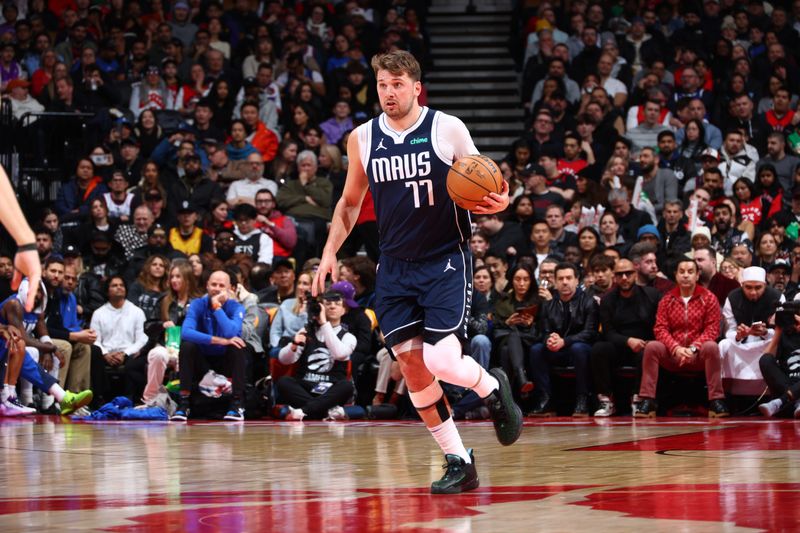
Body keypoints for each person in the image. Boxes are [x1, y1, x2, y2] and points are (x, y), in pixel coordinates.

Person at [312, 50, 521, 494]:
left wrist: (502, 199)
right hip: (395, 267)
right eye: (382, 85)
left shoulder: (447, 127)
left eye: (397, 85)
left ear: (415, 87)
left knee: (442, 360)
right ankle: (459, 460)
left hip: (445, 259)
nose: (389, 93)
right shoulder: (363, 138)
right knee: (412, 369)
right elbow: (350, 203)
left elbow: (490, 181)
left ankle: (490, 385)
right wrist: (330, 250)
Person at [636, 258, 729, 418]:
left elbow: (712, 329)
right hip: (674, 355)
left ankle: (716, 401)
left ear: (697, 275)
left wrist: (693, 348)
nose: (686, 275)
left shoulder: (709, 298)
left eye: (690, 272)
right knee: (651, 347)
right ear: (676, 275)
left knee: (712, 346)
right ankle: (647, 400)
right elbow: (660, 328)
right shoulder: (667, 299)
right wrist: (676, 348)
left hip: (698, 355)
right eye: (682, 272)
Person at [172, 270, 248, 422]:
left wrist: (217, 308)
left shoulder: (236, 307)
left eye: (222, 285)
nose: (217, 288)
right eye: (213, 284)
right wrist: (221, 341)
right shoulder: (197, 304)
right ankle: (184, 404)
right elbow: (186, 333)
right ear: (207, 286)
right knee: (187, 346)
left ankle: (237, 404)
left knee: (238, 346)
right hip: (202, 362)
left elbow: (231, 332)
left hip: (224, 362)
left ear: (230, 289)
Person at [590, 258, 661, 416]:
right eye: (620, 274)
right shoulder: (607, 300)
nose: (624, 278)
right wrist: (628, 341)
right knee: (599, 349)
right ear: (614, 277)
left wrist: (648, 342)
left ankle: (639, 400)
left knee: (649, 351)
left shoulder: (652, 295)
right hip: (619, 345)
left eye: (628, 274)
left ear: (635, 274)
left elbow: (659, 325)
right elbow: (608, 332)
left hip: (644, 344)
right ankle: (606, 400)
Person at [529, 262, 599, 417]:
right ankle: (545, 399)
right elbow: (543, 331)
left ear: (576, 280)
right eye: (560, 278)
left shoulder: (588, 301)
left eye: (568, 278)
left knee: (578, 348)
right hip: (558, 349)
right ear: (555, 281)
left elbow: (590, 332)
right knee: (537, 350)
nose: (565, 282)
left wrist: (565, 341)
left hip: (581, 349)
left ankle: (583, 399)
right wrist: (549, 338)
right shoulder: (549, 304)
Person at [277, 288, 357, 420]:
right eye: (328, 303)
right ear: (321, 308)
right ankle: (326, 412)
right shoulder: (307, 331)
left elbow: (339, 354)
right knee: (284, 382)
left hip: (331, 389)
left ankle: (303, 411)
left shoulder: (348, 337)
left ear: (344, 310)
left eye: (337, 304)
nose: (332, 306)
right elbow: (283, 360)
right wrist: (293, 345)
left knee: (346, 386)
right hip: (306, 386)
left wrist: (324, 323)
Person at [719, 267, 782, 395]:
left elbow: (781, 331)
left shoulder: (778, 297)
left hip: (768, 342)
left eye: (758, 287)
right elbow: (729, 331)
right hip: (741, 343)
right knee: (723, 345)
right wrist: (739, 335)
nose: (753, 292)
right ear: (742, 285)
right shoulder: (732, 298)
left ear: (765, 285)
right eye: (748, 287)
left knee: (780, 344)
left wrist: (765, 333)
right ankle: (722, 394)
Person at [89, 276, 149, 407]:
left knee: (137, 360)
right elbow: (95, 339)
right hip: (105, 354)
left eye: (121, 285)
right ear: (107, 291)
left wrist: (125, 353)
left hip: (129, 353)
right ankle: (99, 399)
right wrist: (105, 354)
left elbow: (142, 339)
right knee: (94, 353)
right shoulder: (98, 313)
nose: (119, 287)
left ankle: (131, 399)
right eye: (114, 285)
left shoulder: (137, 312)